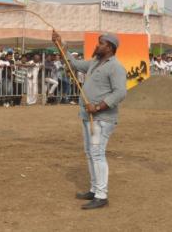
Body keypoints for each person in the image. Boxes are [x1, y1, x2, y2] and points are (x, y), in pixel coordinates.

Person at [52, 30, 126, 210]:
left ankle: (101, 195)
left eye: (101, 43)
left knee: (97, 154)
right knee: (90, 153)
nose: (97, 45)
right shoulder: (94, 63)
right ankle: (94, 189)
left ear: (109, 47)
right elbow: (75, 65)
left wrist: (99, 106)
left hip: (102, 119)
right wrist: (60, 45)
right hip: (88, 117)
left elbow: (120, 93)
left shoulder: (115, 66)